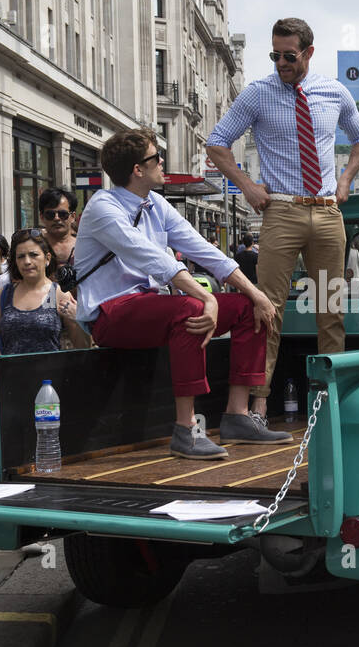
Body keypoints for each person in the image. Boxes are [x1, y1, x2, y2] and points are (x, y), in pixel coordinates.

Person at [76, 127, 289, 459]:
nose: (162, 162)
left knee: (249, 308)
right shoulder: (103, 207)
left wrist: (255, 293)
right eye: (156, 157)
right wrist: (206, 299)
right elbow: (150, 257)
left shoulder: (156, 204)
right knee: (190, 309)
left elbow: (203, 250)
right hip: (110, 313)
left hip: (150, 307)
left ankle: (237, 415)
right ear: (137, 169)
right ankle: (186, 429)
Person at [205, 17, 359, 422]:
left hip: (328, 210)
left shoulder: (333, 92)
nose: (280, 62)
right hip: (280, 209)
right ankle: (260, 403)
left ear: (308, 53)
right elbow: (216, 142)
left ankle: (332, 400)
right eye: (274, 55)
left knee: (331, 308)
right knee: (269, 308)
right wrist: (246, 185)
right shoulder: (258, 94)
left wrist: (346, 179)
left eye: (289, 55)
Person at [0, 228, 89, 355]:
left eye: (33, 255)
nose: (27, 262)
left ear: (47, 258)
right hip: (11, 373)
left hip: (50, 373)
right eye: (21, 256)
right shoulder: (5, 294)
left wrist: (79, 318)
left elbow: (83, 345)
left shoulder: (58, 293)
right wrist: (0, 365)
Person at [38, 187, 78, 269]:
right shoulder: (34, 245)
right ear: (42, 217)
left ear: (73, 217)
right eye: (50, 214)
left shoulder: (84, 245)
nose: (57, 218)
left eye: (63, 214)